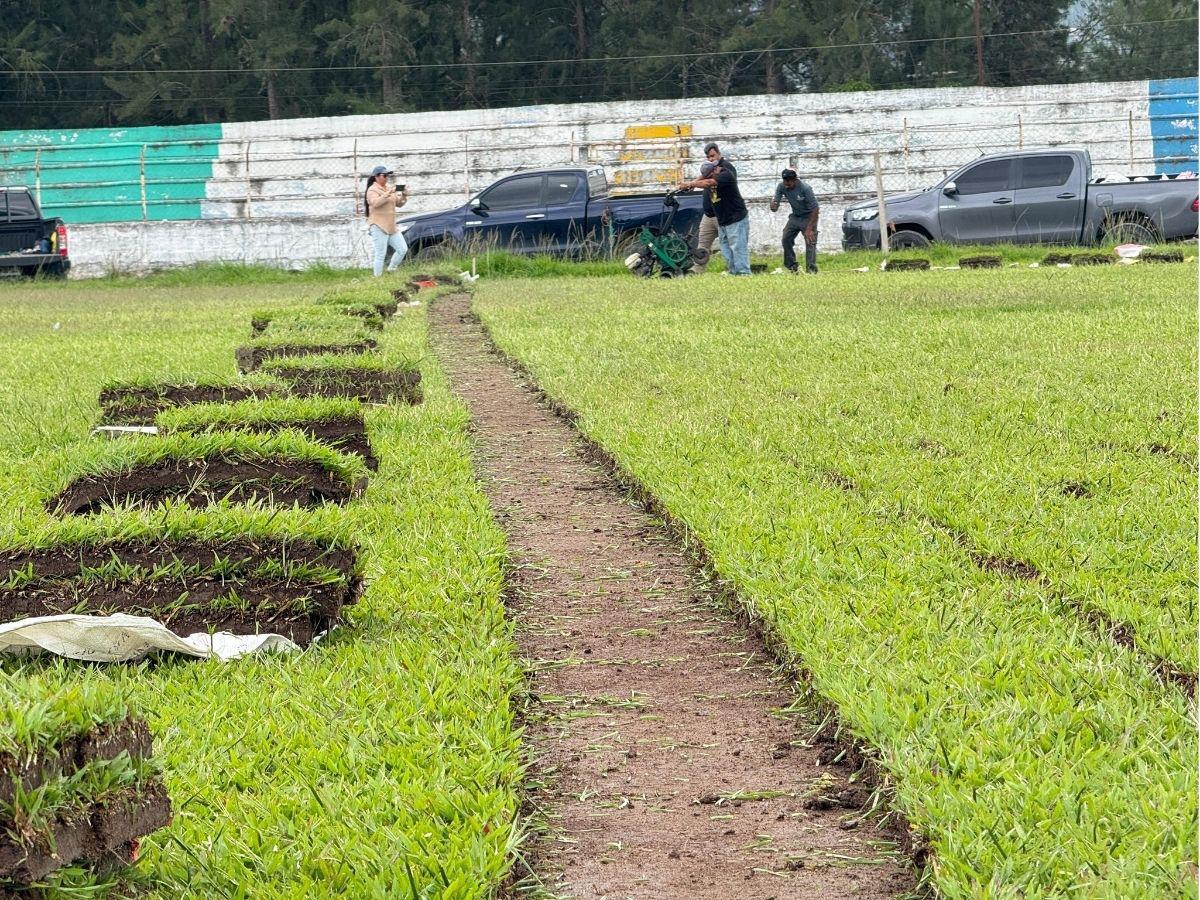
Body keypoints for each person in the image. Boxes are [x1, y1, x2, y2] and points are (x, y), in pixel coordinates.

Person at [679, 143, 750, 275]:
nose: (711, 159)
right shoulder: (712, 170)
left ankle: (743, 274)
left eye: (712, 156)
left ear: (718, 154)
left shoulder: (726, 172)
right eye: (708, 157)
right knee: (725, 248)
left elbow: (708, 182)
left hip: (734, 216)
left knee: (737, 247)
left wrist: (692, 183)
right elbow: (704, 177)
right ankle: (732, 273)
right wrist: (690, 184)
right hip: (720, 217)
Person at [770, 168, 820, 273]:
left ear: (795, 179)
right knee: (786, 238)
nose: (787, 184)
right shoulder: (781, 186)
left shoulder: (805, 188)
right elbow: (775, 205)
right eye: (785, 181)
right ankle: (792, 267)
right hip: (795, 217)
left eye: (789, 181)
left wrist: (810, 228)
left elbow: (815, 209)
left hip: (809, 217)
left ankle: (811, 270)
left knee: (810, 241)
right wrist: (773, 206)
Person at [364, 165, 408, 276]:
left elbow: (399, 204)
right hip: (378, 226)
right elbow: (375, 203)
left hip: (391, 226)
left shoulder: (388, 187)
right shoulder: (372, 190)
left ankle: (391, 270)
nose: (387, 177)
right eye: (384, 175)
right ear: (376, 177)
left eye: (387, 175)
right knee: (380, 254)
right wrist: (388, 193)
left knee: (402, 249)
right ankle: (377, 279)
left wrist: (404, 195)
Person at [692, 161, 719, 272]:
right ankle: (697, 269)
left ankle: (735, 269)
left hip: (721, 216)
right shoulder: (706, 178)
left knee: (728, 244)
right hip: (708, 216)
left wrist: (691, 184)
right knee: (703, 244)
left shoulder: (720, 177)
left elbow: (708, 183)